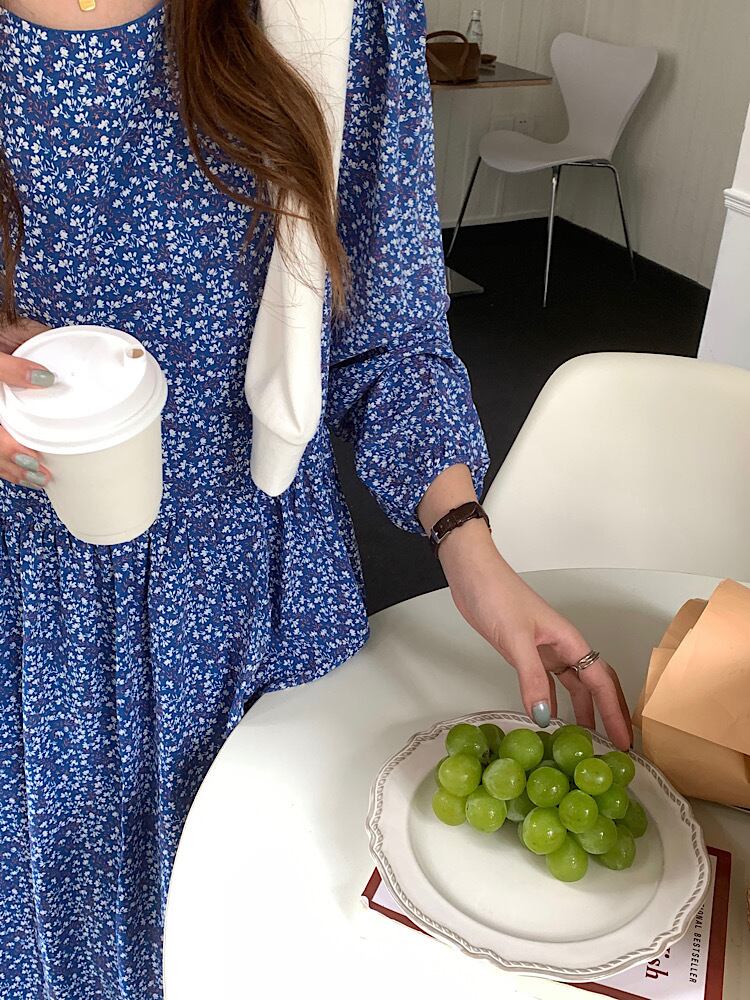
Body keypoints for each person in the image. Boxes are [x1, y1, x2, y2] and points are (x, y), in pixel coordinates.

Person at [0, 1, 633, 997]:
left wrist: (468, 545)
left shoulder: (341, 9)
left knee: (269, 947)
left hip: (255, 593)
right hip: (30, 611)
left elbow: (388, 322)